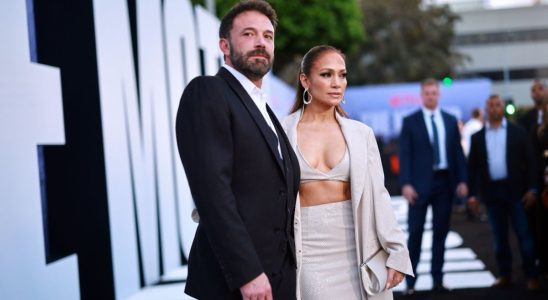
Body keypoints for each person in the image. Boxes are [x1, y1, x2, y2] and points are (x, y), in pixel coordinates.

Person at [175, 1, 300, 299]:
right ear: (225, 45)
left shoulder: (266, 110)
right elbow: (212, 193)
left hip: (280, 279)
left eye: (268, 36)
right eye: (248, 34)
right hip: (237, 283)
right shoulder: (208, 92)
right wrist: (247, 273)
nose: (261, 42)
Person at [282, 45, 412, 300]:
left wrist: (397, 250)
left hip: (360, 250)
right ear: (305, 80)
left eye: (342, 75)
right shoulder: (281, 132)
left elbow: (378, 196)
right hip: (308, 254)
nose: (337, 83)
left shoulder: (360, 133)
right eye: (326, 74)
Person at [399, 78, 468, 295]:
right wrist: (406, 184)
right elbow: (405, 155)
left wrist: (463, 181)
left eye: (434, 92)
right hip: (418, 187)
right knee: (415, 234)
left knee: (441, 233)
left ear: (439, 94)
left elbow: (457, 153)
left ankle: (438, 280)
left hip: (444, 184)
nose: (430, 96)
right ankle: (410, 283)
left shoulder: (449, 120)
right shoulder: (410, 121)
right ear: (422, 95)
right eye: (427, 93)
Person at [467, 94, 540, 290]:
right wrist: (472, 195)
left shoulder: (518, 132)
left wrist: (533, 189)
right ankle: (505, 274)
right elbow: (472, 167)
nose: (494, 109)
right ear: (485, 109)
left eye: (497, 105)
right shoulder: (478, 137)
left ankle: (531, 275)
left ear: (503, 107)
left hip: (517, 192)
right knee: (499, 239)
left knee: (524, 236)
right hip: (492, 194)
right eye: (490, 106)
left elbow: (532, 162)